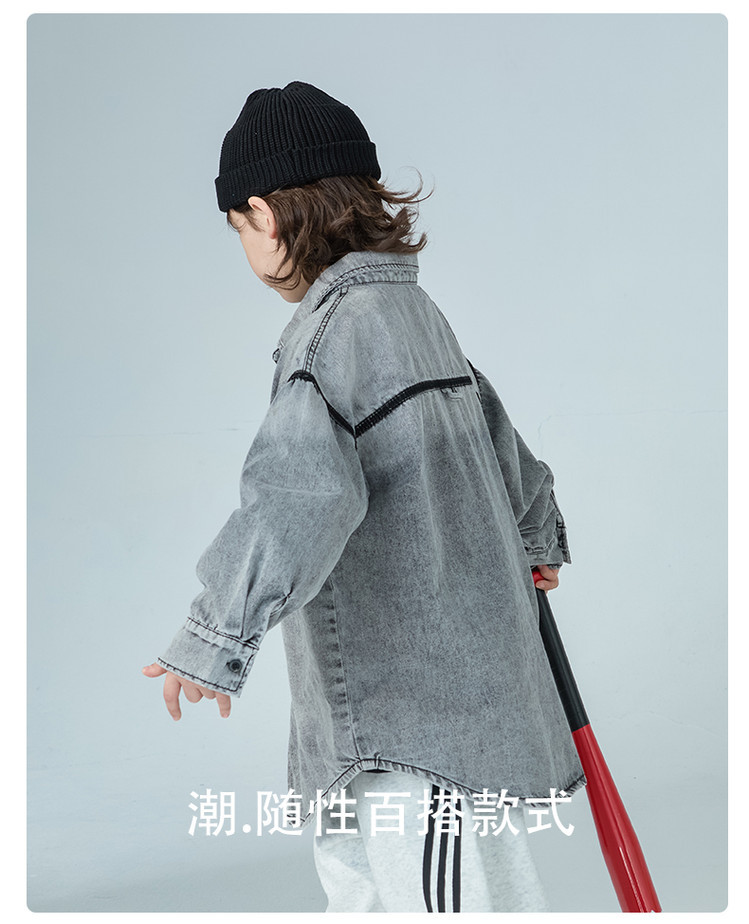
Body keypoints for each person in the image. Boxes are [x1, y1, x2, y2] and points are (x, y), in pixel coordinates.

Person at [143, 80, 585, 913]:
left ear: (265, 215)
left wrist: (214, 634)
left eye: (237, 228)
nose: (243, 246)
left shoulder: (330, 337)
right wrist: (535, 537)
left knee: (437, 901)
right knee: (374, 893)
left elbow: (295, 496)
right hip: (394, 716)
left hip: (413, 718)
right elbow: (498, 437)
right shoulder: (413, 311)